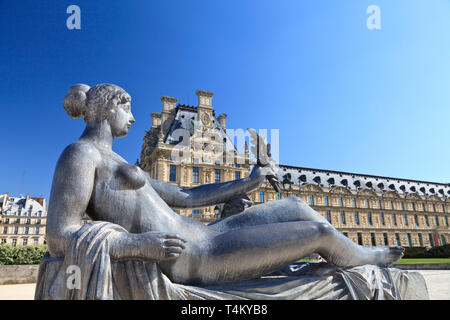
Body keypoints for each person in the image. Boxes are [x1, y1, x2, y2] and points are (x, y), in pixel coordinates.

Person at [44, 83, 404, 288]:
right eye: (128, 108)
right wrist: (135, 244)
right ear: (108, 110)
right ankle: (364, 260)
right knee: (320, 232)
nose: (134, 117)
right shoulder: (80, 155)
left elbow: (186, 195)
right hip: (192, 256)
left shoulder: (120, 162)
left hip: (204, 232)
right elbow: (59, 235)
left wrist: (250, 181)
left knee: (295, 205)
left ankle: (352, 254)